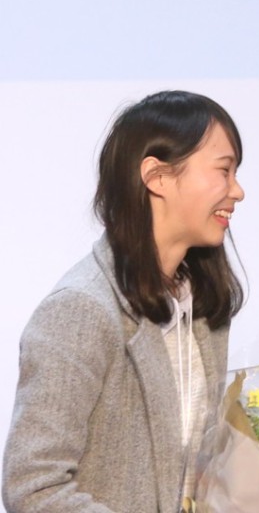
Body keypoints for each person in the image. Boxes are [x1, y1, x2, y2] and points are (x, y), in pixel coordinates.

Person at [2, 91, 246, 512]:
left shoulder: (203, 307)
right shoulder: (80, 311)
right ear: (157, 177)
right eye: (224, 171)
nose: (238, 191)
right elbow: (33, 485)